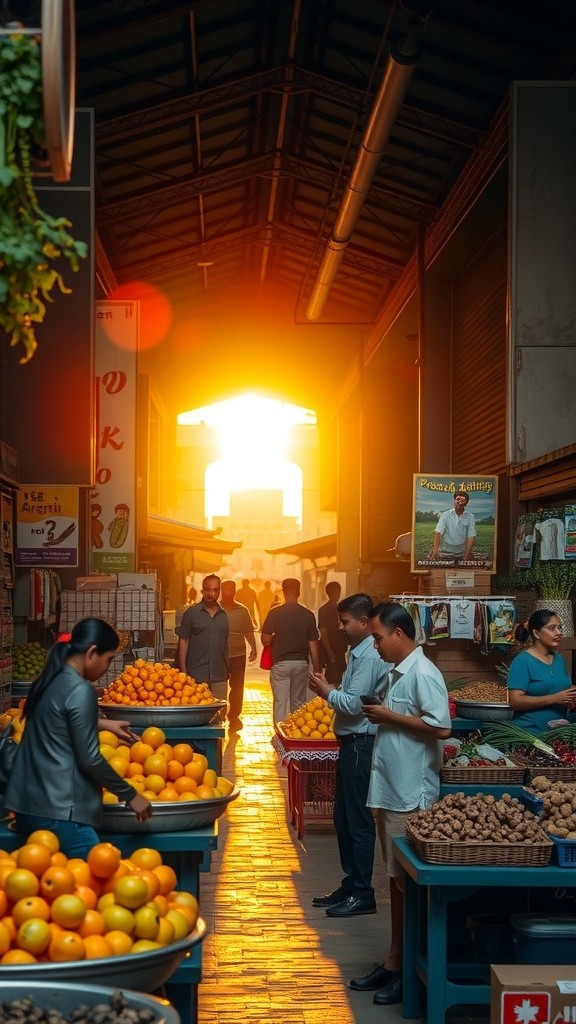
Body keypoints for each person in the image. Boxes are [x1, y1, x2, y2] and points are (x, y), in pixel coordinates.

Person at [350, 602, 451, 1006]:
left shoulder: (423, 673)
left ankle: (408, 969)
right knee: (396, 882)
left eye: (376, 636)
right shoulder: (399, 672)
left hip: (411, 794)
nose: (373, 644)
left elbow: (441, 726)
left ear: (398, 633)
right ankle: (395, 961)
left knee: (408, 886)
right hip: (393, 790)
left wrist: (388, 717)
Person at [4, 618, 152, 858]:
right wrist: (131, 795)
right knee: (96, 880)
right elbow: (90, 759)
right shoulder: (81, 689)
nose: (107, 667)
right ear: (92, 653)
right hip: (59, 813)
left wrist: (102, 723)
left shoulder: (51, 679)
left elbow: (53, 720)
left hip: (26, 808)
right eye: (109, 659)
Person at [309, 593, 391, 918]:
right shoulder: (355, 652)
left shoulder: (370, 656)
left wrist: (327, 691)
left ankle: (363, 893)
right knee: (342, 818)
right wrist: (332, 691)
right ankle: (351, 883)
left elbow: (355, 704)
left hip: (361, 745)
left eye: (345, 622)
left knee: (357, 821)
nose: (340, 627)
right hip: (349, 745)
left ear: (362, 621)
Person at [261, 578, 321, 724]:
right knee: (298, 702)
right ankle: (295, 734)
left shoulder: (275, 613)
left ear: (283, 591)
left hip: (280, 664)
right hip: (301, 664)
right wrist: (317, 670)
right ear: (299, 592)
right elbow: (313, 647)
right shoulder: (308, 615)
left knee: (280, 703)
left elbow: (265, 640)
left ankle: (280, 738)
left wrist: (276, 636)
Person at [507, 609, 576, 733]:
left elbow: (560, 690)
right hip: (531, 733)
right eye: (551, 628)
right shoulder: (522, 661)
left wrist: (570, 699)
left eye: (559, 628)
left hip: (558, 733)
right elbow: (514, 701)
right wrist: (554, 698)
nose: (558, 632)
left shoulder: (558, 659)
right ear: (536, 633)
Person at [175, 573, 229, 702]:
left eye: (215, 590)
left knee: (221, 712)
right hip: (196, 673)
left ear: (219, 591)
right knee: (198, 710)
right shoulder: (192, 613)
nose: (211, 593)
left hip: (219, 674)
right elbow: (183, 640)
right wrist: (183, 670)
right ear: (202, 590)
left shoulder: (224, 615)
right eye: (208, 589)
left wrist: (228, 668)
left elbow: (225, 643)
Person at [220, 579, 258, 732]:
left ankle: (234, 716)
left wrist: (254, 648)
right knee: (220, 685)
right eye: (225, 590)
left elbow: (248, 631)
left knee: (237, 687)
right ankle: (219, 714)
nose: (228, 593)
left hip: (238, 655)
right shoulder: (216, 609)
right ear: (221, 591)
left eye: (231, 590)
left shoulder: (243, 610)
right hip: (219, 655)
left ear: (235, 591)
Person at [317, 581, 348, 686]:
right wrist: (330, 653)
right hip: (335, 652)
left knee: (335, 681)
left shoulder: (324, 610)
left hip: (335, 652)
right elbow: (324, 633)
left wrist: (329, 652)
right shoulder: (339, 610)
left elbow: (323, 633)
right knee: (336, 681)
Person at [431, 490, 476, 562]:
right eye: (458, 499)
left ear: (466, 503)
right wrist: (435, 552)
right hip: (444, 552)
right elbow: (438, 533)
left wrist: (467, 555)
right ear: (454, 500)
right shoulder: (445, 515)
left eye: (463, 500)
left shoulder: (470, 517)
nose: (460, 502)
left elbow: (471, 536)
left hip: (461, 553)